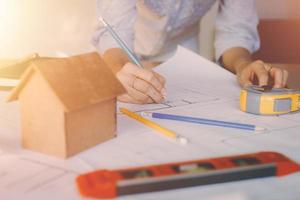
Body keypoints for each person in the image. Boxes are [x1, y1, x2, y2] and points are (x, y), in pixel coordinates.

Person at [92, 0, 288, 104]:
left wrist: (243, 65)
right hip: (122, 51)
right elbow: (114, 32)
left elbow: (235, 32)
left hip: (183, 54)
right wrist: (117, 70)